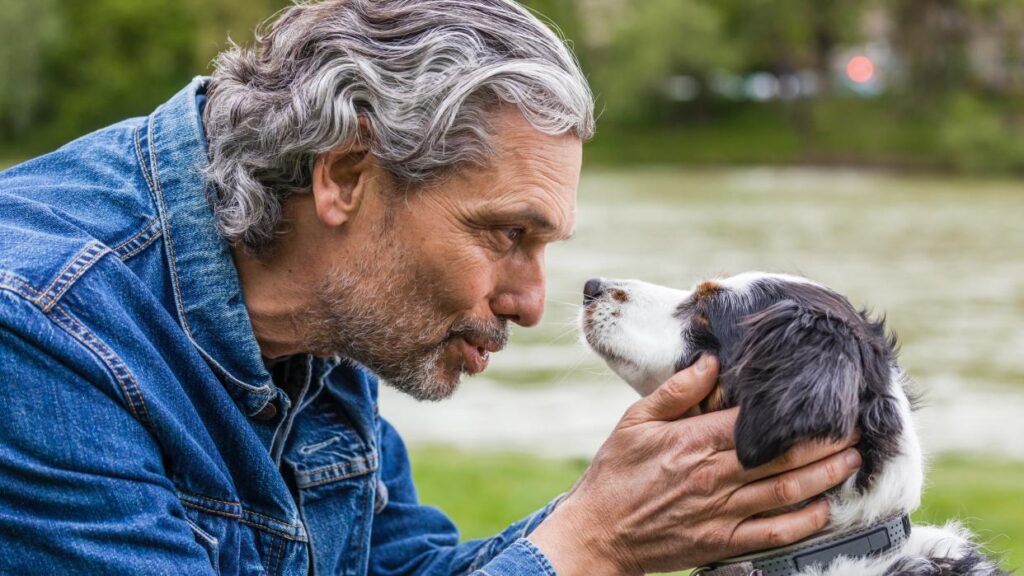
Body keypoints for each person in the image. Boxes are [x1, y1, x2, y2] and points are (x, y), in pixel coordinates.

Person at [0, 1, 860, 574]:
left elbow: (402, 567)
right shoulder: (38, 330)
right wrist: (591, 540)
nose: (528, 301)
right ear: (344, 176)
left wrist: (624, 516)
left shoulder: (309, 309)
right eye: (506, 235)